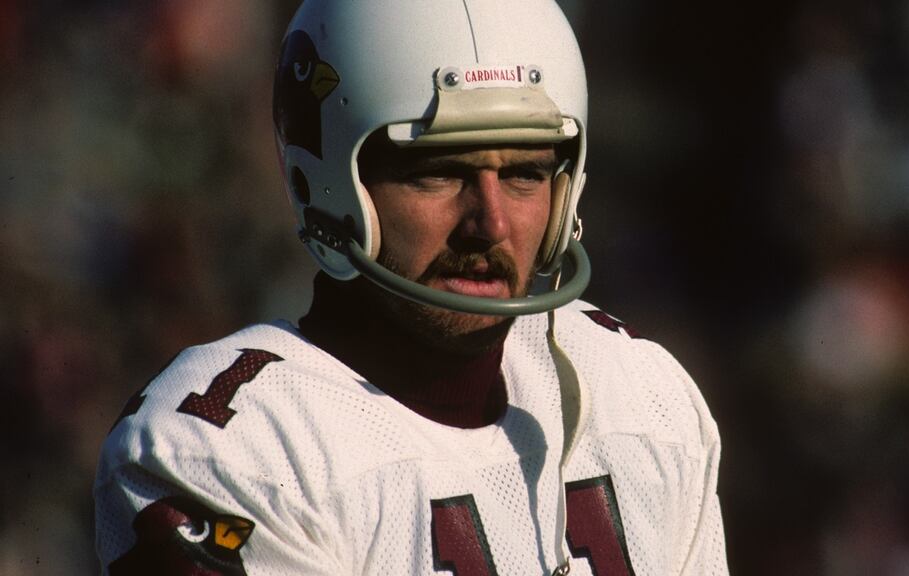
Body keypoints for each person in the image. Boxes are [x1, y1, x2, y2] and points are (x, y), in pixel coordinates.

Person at [93, 1, 730, 574]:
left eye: (526, 175)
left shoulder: (642, 396)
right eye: (439, 174)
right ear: (332, 187)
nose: (492, 224)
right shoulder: (228, 446)